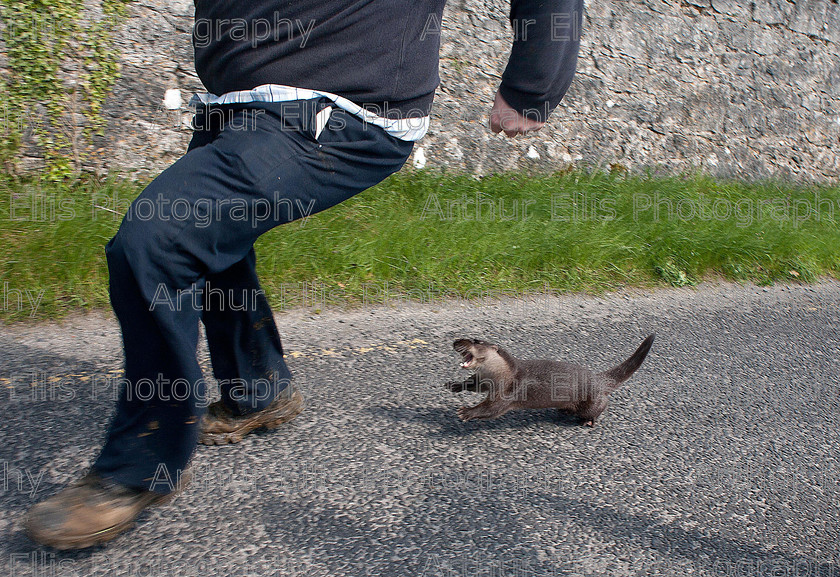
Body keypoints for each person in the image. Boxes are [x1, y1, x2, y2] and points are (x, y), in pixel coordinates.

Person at [24, 0, 583, 549]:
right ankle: (257, 389)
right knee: (212, 241)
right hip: (238, 106)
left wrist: (533, 81)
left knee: (157, 239)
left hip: (337, 108)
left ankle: (139, 464)